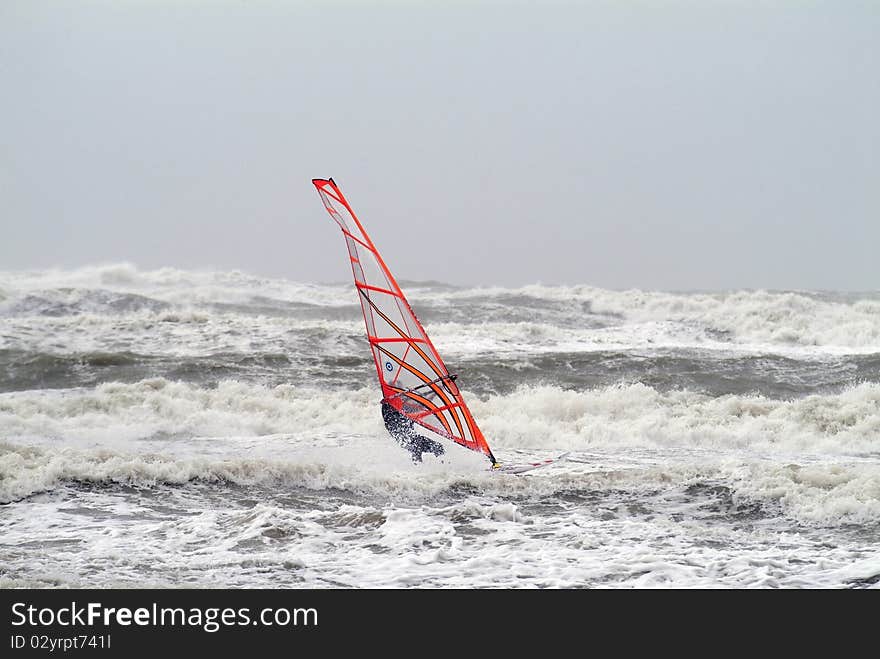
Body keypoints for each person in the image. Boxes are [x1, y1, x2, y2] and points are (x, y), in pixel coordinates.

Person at [380, 399, 445, 462]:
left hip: (411, 437)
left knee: (438, 447)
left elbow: (416, 406)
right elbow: (391, 423)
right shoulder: (389, 409)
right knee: (416, 445)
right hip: (404, 439)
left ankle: (442, 468)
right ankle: (417, 468)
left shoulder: (403, 407)